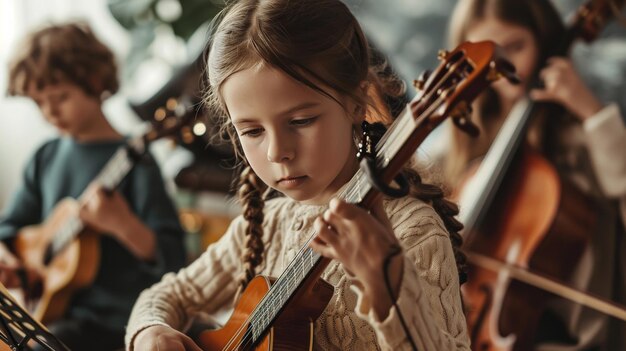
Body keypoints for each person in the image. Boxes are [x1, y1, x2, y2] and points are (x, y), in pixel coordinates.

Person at [125, 0, 471, 350]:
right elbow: (168, 294)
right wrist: (150, 332)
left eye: (301, 121)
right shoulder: (267, 224)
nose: (277, 152)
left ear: (358, 102)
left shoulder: (412, 233)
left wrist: (388, 287)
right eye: (252, 131)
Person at [441, 0, 626, 349]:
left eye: (516, 46)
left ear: (543, 41)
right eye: (491, 58)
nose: (506, 66)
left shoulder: (586, 141)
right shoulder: (468, 151)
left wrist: (591, 112)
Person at [0, 22, 187, 350]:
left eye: (59, 98)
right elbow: (8, 229)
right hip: (53, 317)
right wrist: (12, 264)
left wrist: (122, 224)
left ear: (96, 82)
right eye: (38, 102)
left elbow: (173, 259)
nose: (50, 112)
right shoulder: (46, 157)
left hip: (122, 321)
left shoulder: (136, 160)